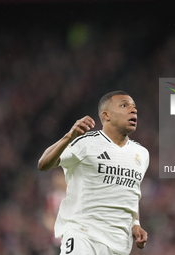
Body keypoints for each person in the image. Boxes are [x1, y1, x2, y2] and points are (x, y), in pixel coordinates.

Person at [38, 90, 149, 255]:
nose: (133, 110)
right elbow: (44, 163)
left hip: (118, 244)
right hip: (83, 236)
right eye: (124, 105)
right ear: (106, 115)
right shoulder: (86, 143)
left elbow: (131, 193)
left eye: (134, 107)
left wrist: (136, 223)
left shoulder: (142, 154)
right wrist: (69, 136)